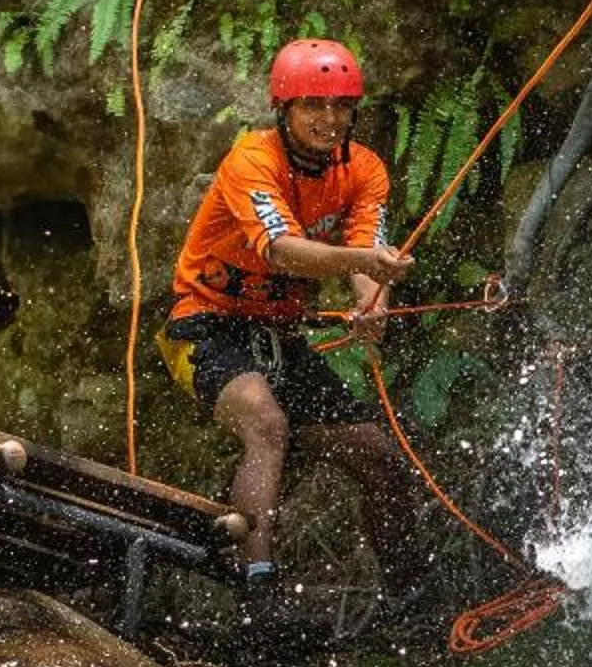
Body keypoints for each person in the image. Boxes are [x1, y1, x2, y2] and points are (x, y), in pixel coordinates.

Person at [159, 37, 413, 591]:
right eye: (313, 106)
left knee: (378, 456)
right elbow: (281, 249)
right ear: (285, 109)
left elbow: (369, 252)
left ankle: (407, 591)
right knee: (265, 422)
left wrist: (373, 303)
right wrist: (362, 261)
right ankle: (257, 587)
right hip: (203, 325)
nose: (329, 119)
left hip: (279, 335)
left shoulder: (364, 171)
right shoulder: (252, 160)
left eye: (342, 106)